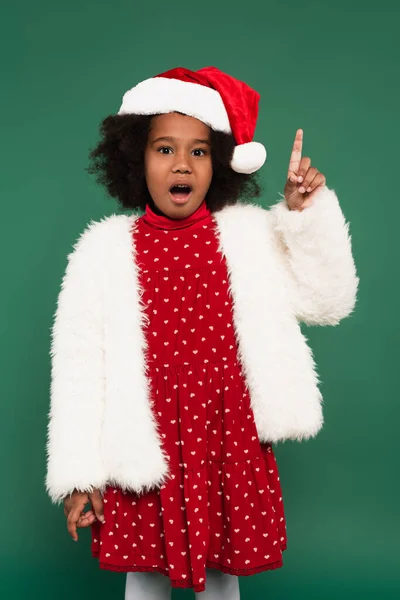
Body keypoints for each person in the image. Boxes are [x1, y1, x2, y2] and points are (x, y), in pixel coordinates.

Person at [45, 66, 359, 599]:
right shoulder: (101, 252)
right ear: (135, 159)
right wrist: (79, 475)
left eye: (198, 151)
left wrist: (303, 218)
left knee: (221, 576)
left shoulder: (248, 236)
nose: (182, 164)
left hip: (226, 434)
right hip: (145, 436)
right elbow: (78, 370)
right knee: (144, 576)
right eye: (164, 149)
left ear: (219, 163)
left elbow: (327, 301)